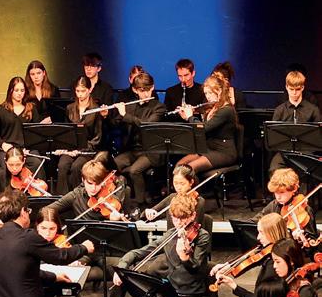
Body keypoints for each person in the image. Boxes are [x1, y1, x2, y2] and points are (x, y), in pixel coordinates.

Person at [110, 194, 211, 297]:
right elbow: (138, 253)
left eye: (183, 218)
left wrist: (184, 257)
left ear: (193, 215)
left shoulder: (202, 236)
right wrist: (122, 265)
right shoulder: (170, 235)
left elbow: (195, 267)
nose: (179, 223)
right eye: (175, 218)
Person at [0, 190, 93, 297]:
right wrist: (84, 247)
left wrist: (54, 277)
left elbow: (23, 271)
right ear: (23, 212)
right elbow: (60, 257)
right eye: (28, 211)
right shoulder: (27, 237)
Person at [103, 71, 166, 205]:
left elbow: (146, 125)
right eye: (142, 91)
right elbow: (114, 125)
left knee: (134, 171)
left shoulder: (159, 108)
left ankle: (140, 204)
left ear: (153, 87)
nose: (146, 94)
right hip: (133, 151)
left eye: (148, 90)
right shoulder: (130, 106)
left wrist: (125, 115)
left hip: (150, 152)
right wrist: (106, 115)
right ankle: (118, 200)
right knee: (112, 165)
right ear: (135, 90)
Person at [175, 73, 239, 174]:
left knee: (188, 169)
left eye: (210, 93)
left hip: (223, 152)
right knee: (179, 165)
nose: (208, 96)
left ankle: (192, 185)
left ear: (219, 91)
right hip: (208, 149)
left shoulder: (226, 110)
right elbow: (199, 127)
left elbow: (203, 128)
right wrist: (187, 117)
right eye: (206, 93)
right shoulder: (212, 108)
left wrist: (190, 117)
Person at [35, 206, 87, 297]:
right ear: (37, 226)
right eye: (43, 228)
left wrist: (74, 262)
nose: (47, 233)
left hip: (60, 292)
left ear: (57, 227)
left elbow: (82, 256)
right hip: (36, 292)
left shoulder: (62, 240)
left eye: (52, 229)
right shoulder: (30, 242)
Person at [55, 76, 102, 195]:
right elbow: (65, 132)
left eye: (83, 91)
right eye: (77, 91)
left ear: (89, 90)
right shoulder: (70, 108)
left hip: (88, 150)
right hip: (71, 149)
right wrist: (67, 149)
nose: (80, 94)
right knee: (62, 165)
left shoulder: (96, 110)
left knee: (77, 167)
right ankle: (62, 198)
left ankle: (78, 197)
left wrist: (80, 150)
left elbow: (97, 137)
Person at [268, 70, 321, 171]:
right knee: (274, 169)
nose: (294, 93)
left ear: (303, 88)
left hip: (307, 153)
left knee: (310, 172)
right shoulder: (279, 110)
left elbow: (318, 137)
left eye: (297, 89)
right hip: (284, 153)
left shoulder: (313, 110)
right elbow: (273, 138)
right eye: (291, 89)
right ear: (286, 87)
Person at [0, 77, 40, 176]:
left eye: (22, 90)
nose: (19, 93)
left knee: (37, 163)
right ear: (10, 91)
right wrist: (3, 144)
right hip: (7, 150)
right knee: (5, 167)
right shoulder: (0, 110)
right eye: (16, 90)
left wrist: (29, 148)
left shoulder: (31, 109)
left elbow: (37, 132)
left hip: (26, 150)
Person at [256, 167, 317, 244]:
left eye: (282, 192)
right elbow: (258, 219)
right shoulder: (274, 205)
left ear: (294, 189)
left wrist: (298, 239)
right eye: (276, 192)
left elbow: (312, 240)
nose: (278, 197)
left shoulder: (305, 210)